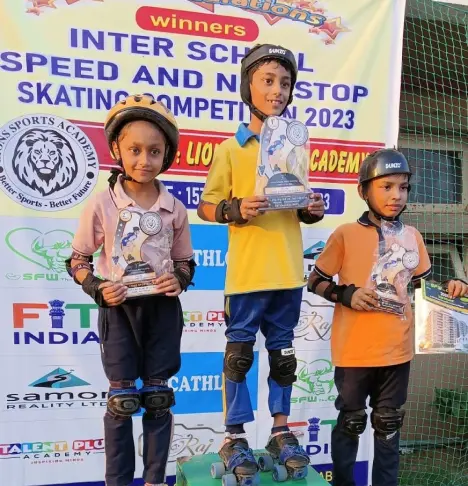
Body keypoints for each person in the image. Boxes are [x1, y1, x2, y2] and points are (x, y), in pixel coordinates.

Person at [197, 44, 325, 480]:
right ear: (247, 86)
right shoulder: (231, 149)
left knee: (283, 356)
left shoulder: (294, 145)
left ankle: (280, 429)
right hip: (248, 274)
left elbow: (298, 202)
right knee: (239, 357)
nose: (277, 90)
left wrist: (311, 207)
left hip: (288, 270)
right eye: (268, 81)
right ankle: (233, 435)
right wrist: (234, 209)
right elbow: (206, 205)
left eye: (285, 83)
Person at [306, 148, 468, 486]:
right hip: (354, 351)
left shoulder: (412, 238)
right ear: (364, 191)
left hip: (397, 350)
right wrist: (346, 294)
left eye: (403, 187)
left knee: (389, 423)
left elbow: (424, 286)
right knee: (351, 421)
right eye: (386, 187)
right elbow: (315, 281)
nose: (396, 195)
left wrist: (451, 286)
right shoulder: (346, 234)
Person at [66, 94, 196, 486]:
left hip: (162, 311)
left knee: (158, 398)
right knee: (122, 401)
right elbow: (77, 261)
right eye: (135, 150)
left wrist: (180, 279)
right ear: (118, 150)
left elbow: (185, 262)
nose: (144, 160)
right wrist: (97, 289)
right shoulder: (102, 203)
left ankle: (155, 479)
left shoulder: (174, 207)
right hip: (120, 312)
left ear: (167, 155)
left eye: (154, 151)